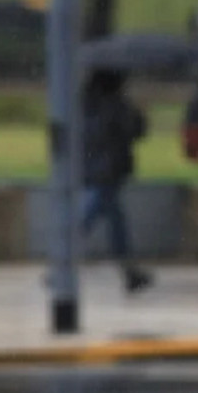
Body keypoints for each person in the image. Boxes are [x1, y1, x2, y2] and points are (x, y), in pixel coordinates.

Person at [81, 70, 151, 293]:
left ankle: (130, 271)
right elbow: (135, 130)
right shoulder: (117, 105)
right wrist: (140, 113)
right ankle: (61, 263)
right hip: (110, 170)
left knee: (116, 222)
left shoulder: (84, 104)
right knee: (89, 216)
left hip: (90, 167)